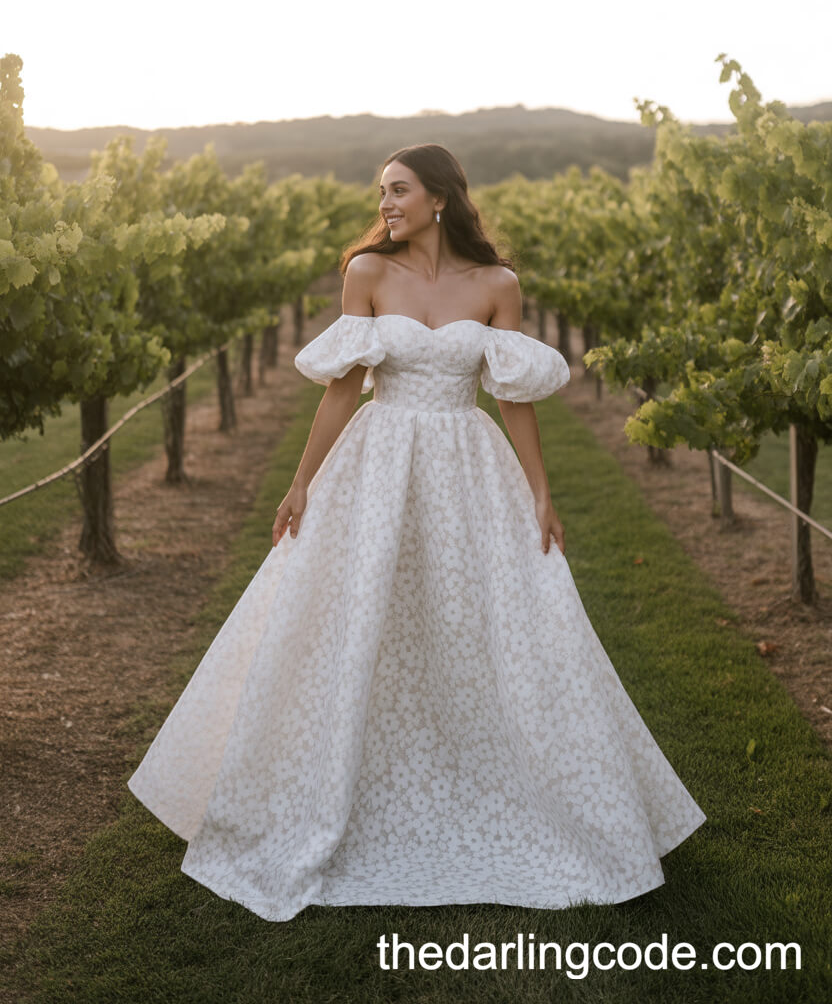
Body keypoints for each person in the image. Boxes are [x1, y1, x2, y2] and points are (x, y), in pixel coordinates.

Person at [128, 143, 705, 922]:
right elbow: (341, 393)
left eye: (398, 190)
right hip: (379, 460)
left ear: (441, 198)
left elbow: (513, 399)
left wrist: (541, 492)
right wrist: (301, 483)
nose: (385, 205)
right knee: (357, 615)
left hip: (467, 464)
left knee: (477, 620)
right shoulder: (367, 273)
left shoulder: (498, 286)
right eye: (382, 192)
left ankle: (502, 780)